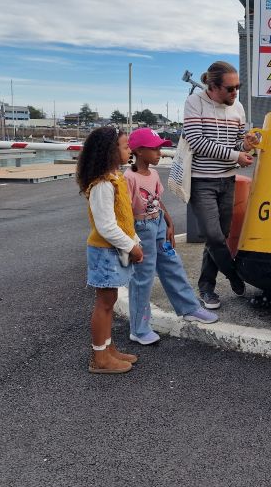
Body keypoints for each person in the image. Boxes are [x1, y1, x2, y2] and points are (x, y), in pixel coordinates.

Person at [125, 128, 218, 345]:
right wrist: (131, 243)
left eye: (160, 149)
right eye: (155, 149)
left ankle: (189, 308)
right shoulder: (129, 178)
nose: (160, 153)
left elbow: (156, 201)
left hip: (158, 224)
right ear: (138, 150)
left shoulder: (154, 174)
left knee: (172, 265)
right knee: (142, 279)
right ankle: (138, 329)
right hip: (141, 229)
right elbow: (125, 211)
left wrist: (168, 222)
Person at [183, 61, 258, 309]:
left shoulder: (237, 108)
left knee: (220, 238)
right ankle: (236, 275)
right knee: (214, 236)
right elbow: (196, 142)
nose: (235, 93)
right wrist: (236, 156)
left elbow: (236, 144)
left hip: (227, 180)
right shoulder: (195, 103)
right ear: (213, 87)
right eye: (230, 88)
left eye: (238, 87)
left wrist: (245, 147)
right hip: (201, 180)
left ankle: (206, 287)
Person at [76, 126, 143, 374]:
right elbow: (106, 226)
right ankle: (99, 357)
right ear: (110, 152)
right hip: (105, 252)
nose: (130, 150)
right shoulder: (103, 184)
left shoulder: (115, 178)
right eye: (125, 147)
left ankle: (107, 348)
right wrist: (131, 246)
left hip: (112, 250)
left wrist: (134, 240)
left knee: (109, 301)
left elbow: (124, 218)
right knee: (104, 303)